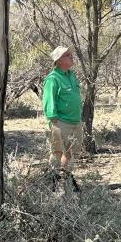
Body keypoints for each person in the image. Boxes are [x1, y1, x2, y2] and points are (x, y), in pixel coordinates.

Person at [42, 46, 83, 177]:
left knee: (71, 152)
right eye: (67, 55)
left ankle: (66, 178)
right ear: (59, 61)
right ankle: (53, 180)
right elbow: (49, 101)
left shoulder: (71, 75)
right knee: (57, 152)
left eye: (70, 54)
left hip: (76, 121)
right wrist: (54, 123)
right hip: (61, 122)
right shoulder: (52, 78)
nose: (71, 57)